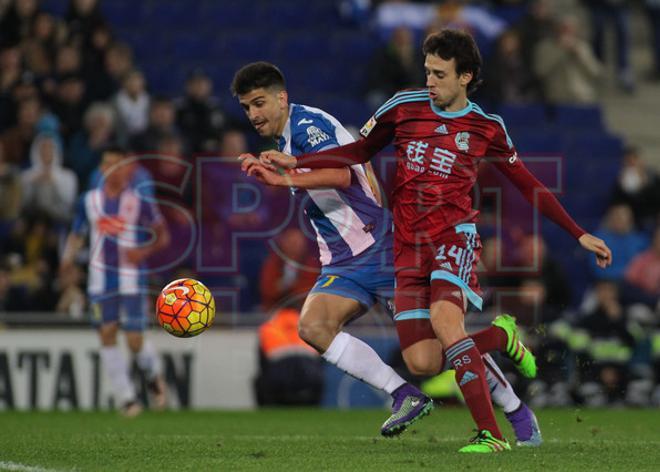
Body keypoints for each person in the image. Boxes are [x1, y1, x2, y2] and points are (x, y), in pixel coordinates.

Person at [255, 30, 612, 452]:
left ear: (466, 77)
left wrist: (579, 232)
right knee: (422, 361)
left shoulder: (486, 127)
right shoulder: (403, 108)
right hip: (406, 246)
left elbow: (529, 185)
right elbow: (358, 152)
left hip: (453, 238)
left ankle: (490, 434)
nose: (429, 81)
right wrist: (297, 161)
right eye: (427, 71)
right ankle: (499, 339)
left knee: (447, 322)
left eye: (439, 74)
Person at [234, 61, 541, 445]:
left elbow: (342, 174)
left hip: (380, 250)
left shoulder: (306, 127)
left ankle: (512, 394)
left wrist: (284, 179)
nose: (254, 114)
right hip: (343, 260)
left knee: (432, 354)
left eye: (259, 103)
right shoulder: (284, 140)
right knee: (313, 327)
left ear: (282, 98)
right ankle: (404, 394)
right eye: (247, 107)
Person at [60, 145, 170, 416]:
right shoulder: (89, 201)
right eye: (108, 165)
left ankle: (153, 376)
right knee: (107, 334)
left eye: (119, 165)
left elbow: (162, 235)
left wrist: (143, 251)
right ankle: (127, 399)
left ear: (128, 169)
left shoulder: (139, 201)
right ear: (101, 169)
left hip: (131, 279)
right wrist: (67, 260)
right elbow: (77, 233)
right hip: (100, 281)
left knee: (134, 339)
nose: (114, 171)